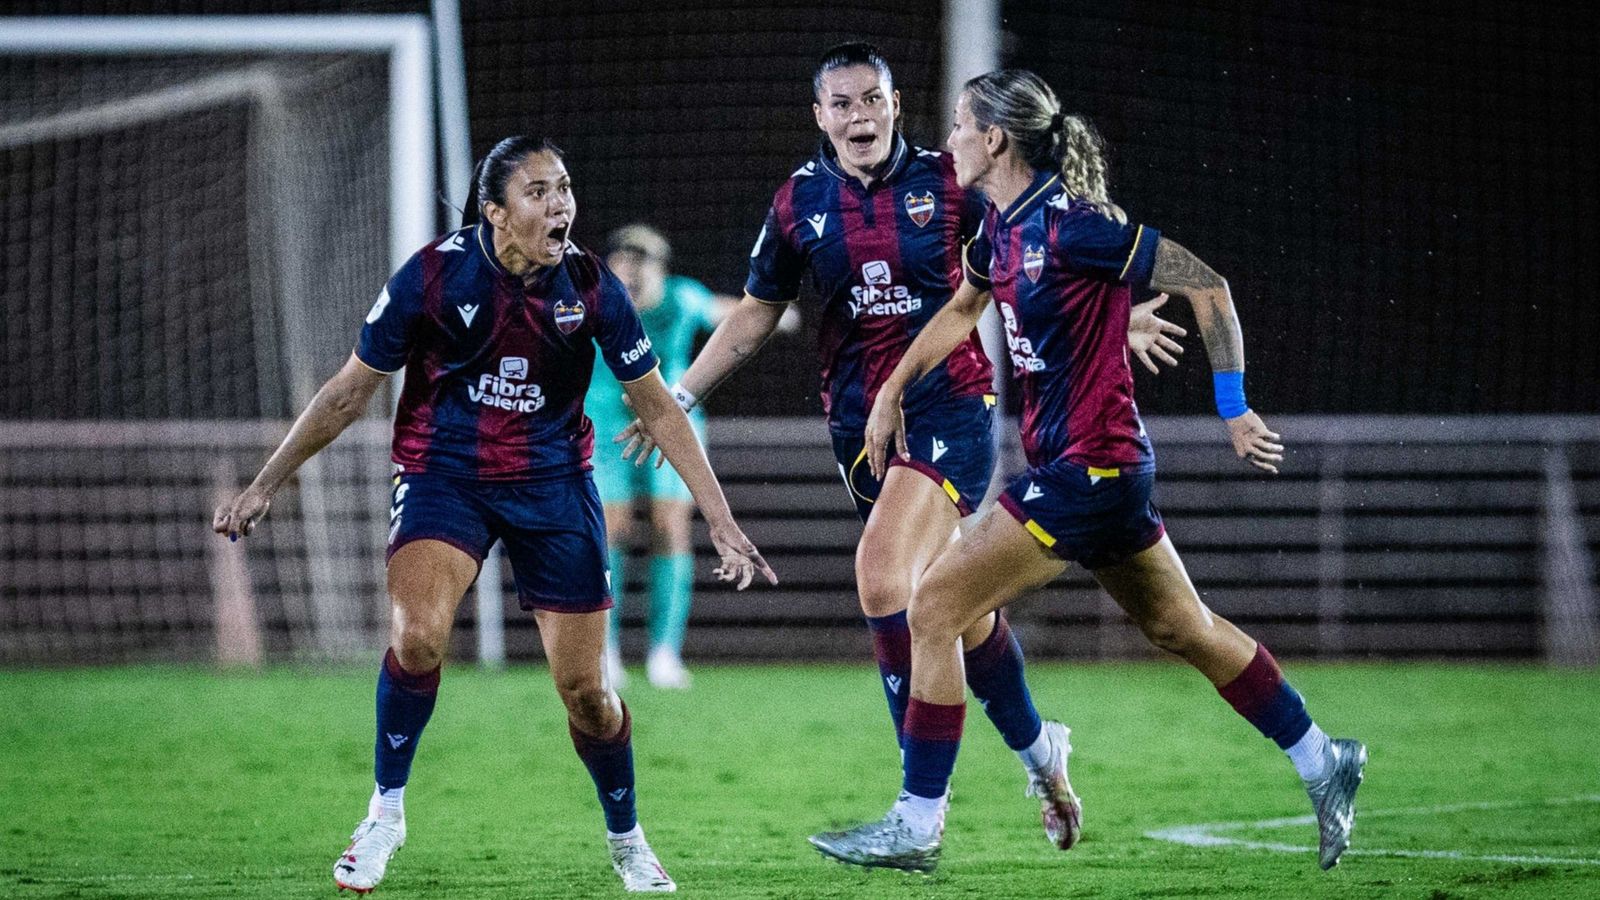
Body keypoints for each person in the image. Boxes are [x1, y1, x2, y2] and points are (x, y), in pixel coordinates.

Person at [620, 43, 1184, 852]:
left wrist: (1110, 314)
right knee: (962, 615)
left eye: (873, 99)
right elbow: (751, 313)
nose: (860, 116)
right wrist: (678, 396)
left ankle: (918, 809)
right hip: (858, 426)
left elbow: (1036, 249)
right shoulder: (798, 204)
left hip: (951, 402)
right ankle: (1039, 751)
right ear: (820, 117)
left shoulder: (947, 182)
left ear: (895, 106)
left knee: (882, 575)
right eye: (842, 104)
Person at [809, 68, 1366, 875]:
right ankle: (1324, 759)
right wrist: (894, 389)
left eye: (963, 125)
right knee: (1181, 627)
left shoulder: (1077, 228)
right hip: (1096, 472)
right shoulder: (998, 231)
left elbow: (1207, 285)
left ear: (996, 138)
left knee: (930, 606)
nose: (952, 138)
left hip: (1089, 469)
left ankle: (918, 824)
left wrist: (1233, 405)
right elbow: (965, 309)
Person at [212, 135, 775, 894]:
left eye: (566, 188)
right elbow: (351, 389)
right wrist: (265, 482)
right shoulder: (433, 275)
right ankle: (384, 814)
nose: (561, 204)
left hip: (552, 483)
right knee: (418, 638)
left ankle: (628, 838)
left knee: (587, 693)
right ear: (496, 212)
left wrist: (721, 518)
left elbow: (660, 410)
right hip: (445, 475)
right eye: (539, 192)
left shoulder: (592, 287)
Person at [591, 224, 797, 690]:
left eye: (642, 261)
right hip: (606, 425)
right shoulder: (598, 305)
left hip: (672, 422)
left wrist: (776, 313)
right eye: (623, 260)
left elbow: (728, 310)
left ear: (661, 269)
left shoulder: (681, 300)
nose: (631, 271)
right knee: (611, 529)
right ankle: (605, 650)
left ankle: (664, 652)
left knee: (670, 527)